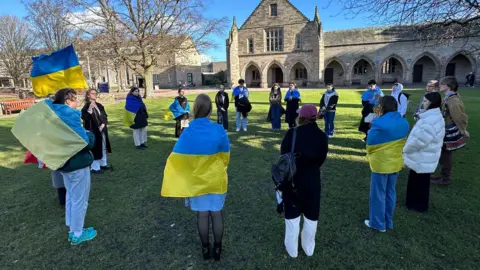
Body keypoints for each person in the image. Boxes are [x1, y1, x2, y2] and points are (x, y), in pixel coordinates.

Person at [161, 94, 230, 261]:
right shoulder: (219, 130)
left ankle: (206, 249)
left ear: (195, 109)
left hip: (197, 182)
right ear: (211, 110)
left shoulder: (188, 131)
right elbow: (225, 156)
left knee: (202, 215)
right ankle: (217, 248)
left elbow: (177, 157)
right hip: (215, 179)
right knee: (216, 213)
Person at [279, 104, 328, 258]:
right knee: (311, 215)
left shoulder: (292, 133)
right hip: (312, 179)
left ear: (302, 117)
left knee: (292, 215)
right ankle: (308, 247)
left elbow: (283, 155)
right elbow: (321, 159)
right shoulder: (322, 136)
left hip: (292, 180)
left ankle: (292, 249)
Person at [52, 88, 97, 245]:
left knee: (71, 196)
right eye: (74, 100)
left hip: (64, 163)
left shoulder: (53, 115)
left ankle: (73, 229)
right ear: (67, 101)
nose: (77, 103)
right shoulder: (69, 115)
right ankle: (78, 233)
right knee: (80, 199)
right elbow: (85, 142)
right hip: (77, 163)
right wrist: (90, 134)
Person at [364, 96, 409, 232]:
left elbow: (370, 144)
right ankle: (388, 221)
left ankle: (377, 223)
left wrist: (372, 126)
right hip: (395, 161)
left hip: (381, 163)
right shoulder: (404, 121)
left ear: (382, 107)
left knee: (378, 193)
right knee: (390, 192)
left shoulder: (379, 123)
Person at [403, 92, 445, 212]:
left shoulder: (431, 119)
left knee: (419, 182)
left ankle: (417, 205)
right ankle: (413, 203)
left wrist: (406, 149)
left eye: (426, 102)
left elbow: (421, 140)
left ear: (433, 104)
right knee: (418, 181)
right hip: (424, 156)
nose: (423, 103)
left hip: (423, 155)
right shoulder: (432, 116)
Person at [431, 76, 470, 185]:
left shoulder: (453, 100)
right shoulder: (448, 98)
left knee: (446, 154)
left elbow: (459, 117)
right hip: (445, 129)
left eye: (442, 84)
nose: (440, 86)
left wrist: (463, 130)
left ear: (448, 86)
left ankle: (445, 178)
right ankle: (443, 175)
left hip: (449, 131)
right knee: (443, 153)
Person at [81, 89, 112, 174]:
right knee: (95, 148)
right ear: (88, 95)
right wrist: (89, 110)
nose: (95, 94)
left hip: (102, 130)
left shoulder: (99, 105)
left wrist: (103, 124)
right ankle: (95, 168)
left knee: (103, 146)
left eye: (95, 93)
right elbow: (85, 118)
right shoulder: (86, 107)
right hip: (93, 131)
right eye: (92, 93)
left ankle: (103, 164)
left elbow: (104, 116)